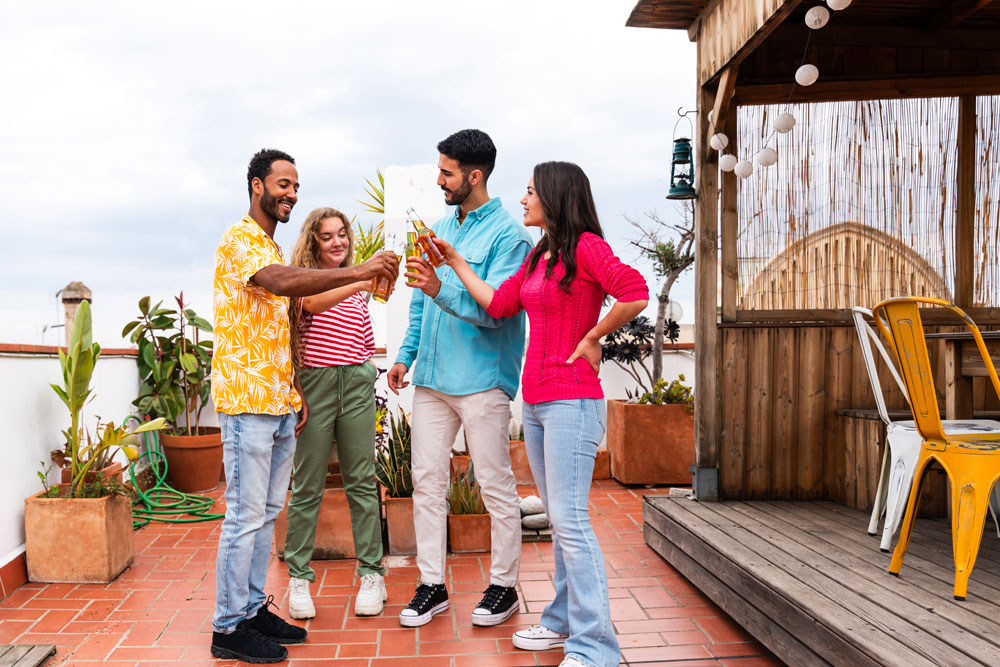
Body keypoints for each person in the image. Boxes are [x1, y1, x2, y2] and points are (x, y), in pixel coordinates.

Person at [427, 161, 648, 667]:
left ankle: (595, 647)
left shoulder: (586, 247)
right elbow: (499, 304)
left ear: (554, 196)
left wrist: (593, 336)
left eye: (530, 191)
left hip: (573, 400)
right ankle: (563, 620)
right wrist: (455, 262)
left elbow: (634, 292)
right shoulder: (538, 255)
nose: (523, 199)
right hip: (539, 403)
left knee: (570, 523)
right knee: (561, 519)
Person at [210, 149, 397, 664]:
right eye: (282, 184)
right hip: (246, 401)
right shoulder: (239, 238)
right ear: (256, 185)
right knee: (245, 517)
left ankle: (251, 610)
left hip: (277, 399)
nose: (291, 193)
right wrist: (359, 272)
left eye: (295, 186)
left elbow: (280, 329)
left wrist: (293, 393)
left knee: (267, 512)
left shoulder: (266, 243)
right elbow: (281, 284)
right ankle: (228, 627)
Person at [388, 129, 533, 628]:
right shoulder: (437, 227)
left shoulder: (511, 237)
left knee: (495, 486)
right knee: (426, 483)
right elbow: (419, 299)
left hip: (482, 381)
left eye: (447, 173)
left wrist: (439, 289)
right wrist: (405, 355)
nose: (439, 180)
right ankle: (432, 585)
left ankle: (504, 587)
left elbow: (497, 311)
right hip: (431, 379)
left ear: (474, 176)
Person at [283, 207, 387, 620]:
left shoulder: (357, 287)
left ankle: (372, 574)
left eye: (342, 234)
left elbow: (359, 337)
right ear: (312, 242)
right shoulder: (304, 280)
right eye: (327, 236)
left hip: (356, 382)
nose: (338, 242)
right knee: (306, 485)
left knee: (361, 481)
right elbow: (310, 305)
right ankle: (298, 578)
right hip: (317, 385)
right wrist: (360, 278)